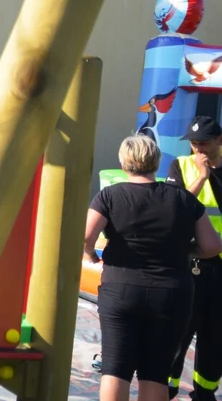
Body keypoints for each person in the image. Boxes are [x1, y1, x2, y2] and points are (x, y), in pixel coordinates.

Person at [86, 135, 222, 401]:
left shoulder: (110, 196)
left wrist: (90, 255)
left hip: (121, 291)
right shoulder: (182, 198)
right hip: (171, 293)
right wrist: (186, 249)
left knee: (115, 368)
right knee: (155, 373)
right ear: (157, 162)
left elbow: (86, 236)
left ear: (124, 163)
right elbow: (211, 246)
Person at [166, 117, 222, 400]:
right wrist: (201, 177)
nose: (198, 149)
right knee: (179, 331)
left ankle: (205, 392)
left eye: (204, 143)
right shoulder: (182, 166)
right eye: (194, 143)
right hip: (194, 265)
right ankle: (166, 387)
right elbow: (174, 212)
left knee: (216, 337)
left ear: (219, 141)